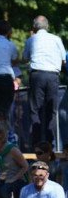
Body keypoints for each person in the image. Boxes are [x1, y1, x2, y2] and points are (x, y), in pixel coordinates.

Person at [22, 16, 66, 146]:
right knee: (51, 109)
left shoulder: (31, 39)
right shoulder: (56, 39)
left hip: (37, 75)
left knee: (35, 110)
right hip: (52, 75)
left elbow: (25, 58)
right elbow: (64, 60)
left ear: (34, 27)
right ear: (47, 26)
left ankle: (36, 143)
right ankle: (49, 142)